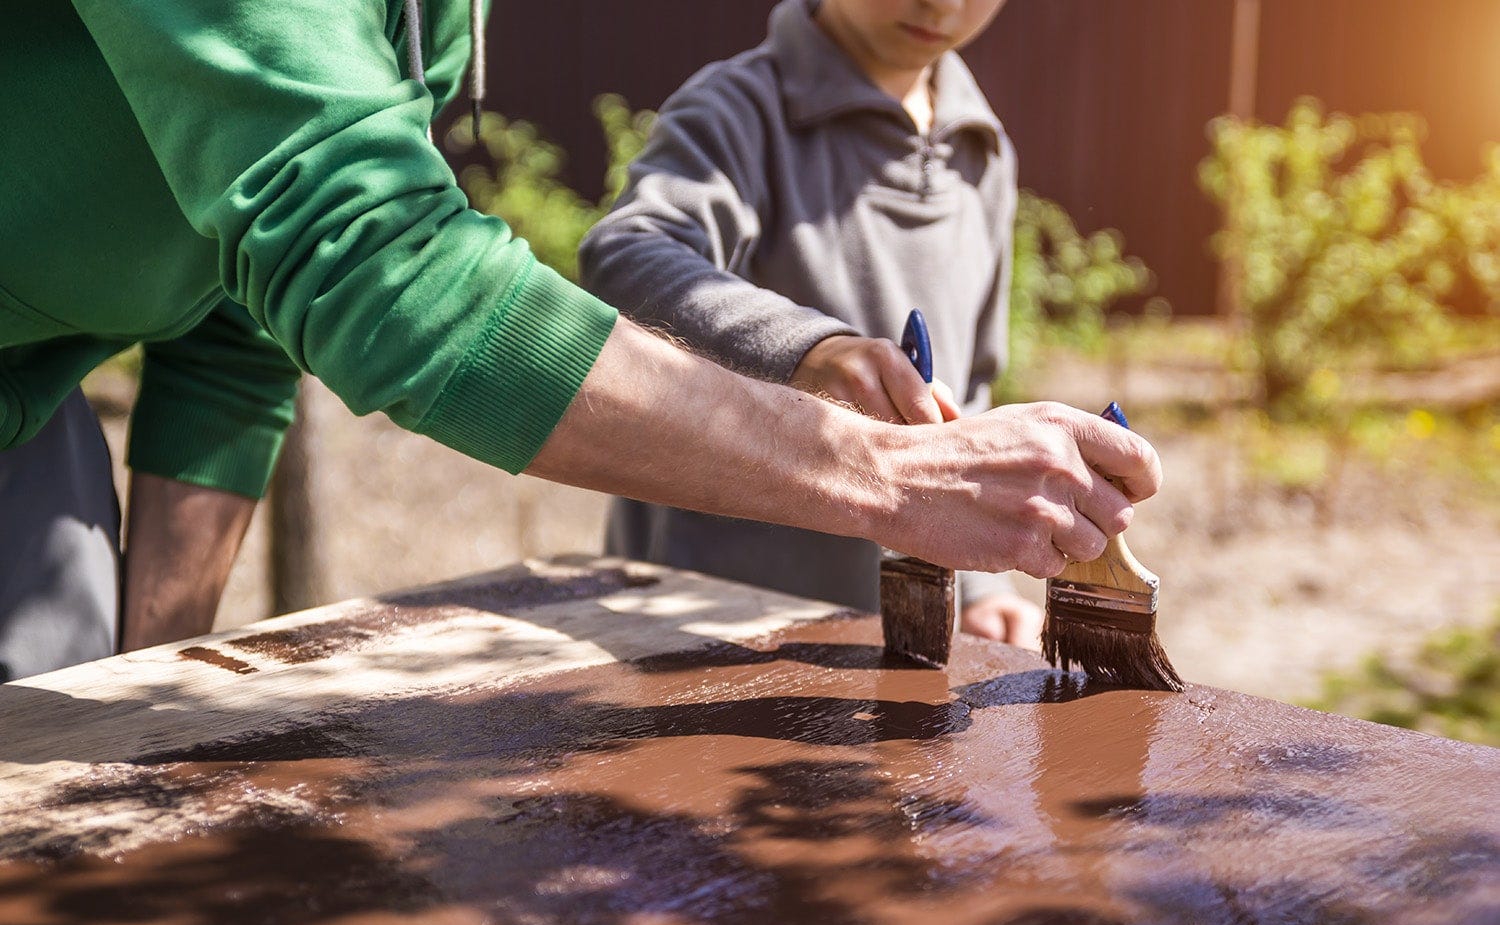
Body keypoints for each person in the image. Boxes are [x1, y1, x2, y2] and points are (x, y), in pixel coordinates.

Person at [0, 1, 1159, 680]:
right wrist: (886, 470)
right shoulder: (741, 106)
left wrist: (142, 695)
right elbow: (375, 263)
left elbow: (239, 306)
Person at [581, 0, 1044, 644]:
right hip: (701, 616)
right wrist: (811, 351)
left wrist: (982, 586)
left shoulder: (984, 151)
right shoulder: (742, 109)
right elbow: (627, 257)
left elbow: (973, 386)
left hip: (893, 635)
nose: (942, 3)